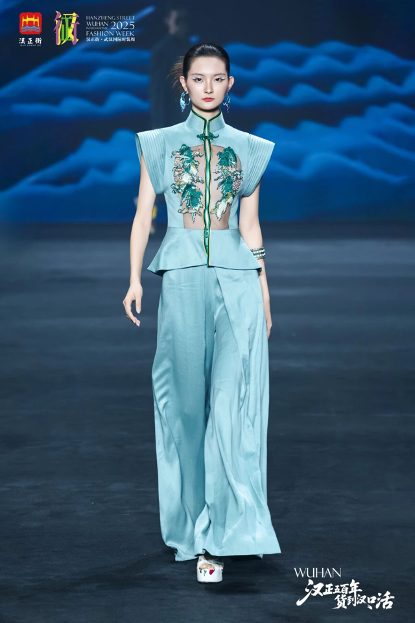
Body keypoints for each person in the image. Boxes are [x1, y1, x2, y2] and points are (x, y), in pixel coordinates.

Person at [123, 42, 282, 583]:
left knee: (232, 407)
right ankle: (192, 530)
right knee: (186, 409)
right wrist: (133, 278)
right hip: (183, 279)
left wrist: (264, 291)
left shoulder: (252, 149)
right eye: (198, 78)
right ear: (183, 83)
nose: (208, 87)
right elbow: (144, 213)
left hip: (238, 282)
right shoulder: (158, 144)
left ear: (230, 84)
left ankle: (222, 535)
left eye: (218, 78)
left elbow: (251, 226)